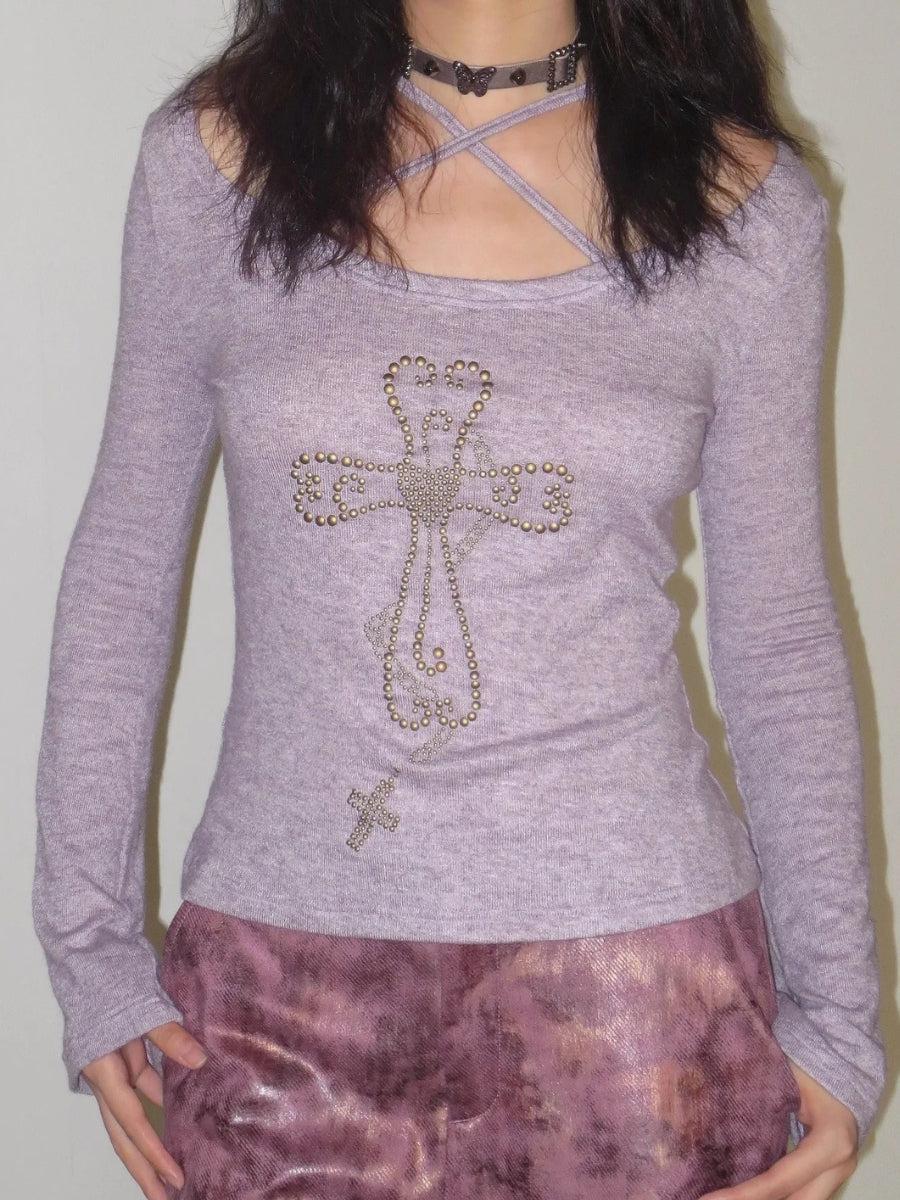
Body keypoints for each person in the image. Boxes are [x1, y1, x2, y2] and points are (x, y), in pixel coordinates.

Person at [32, 2, 886, 1198]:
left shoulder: (744, 213)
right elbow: (124, 569)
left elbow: (781, 638)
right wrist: (90, 950)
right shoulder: (219, 169)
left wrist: (838, 1017)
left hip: (642, 1004)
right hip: (279, 991)